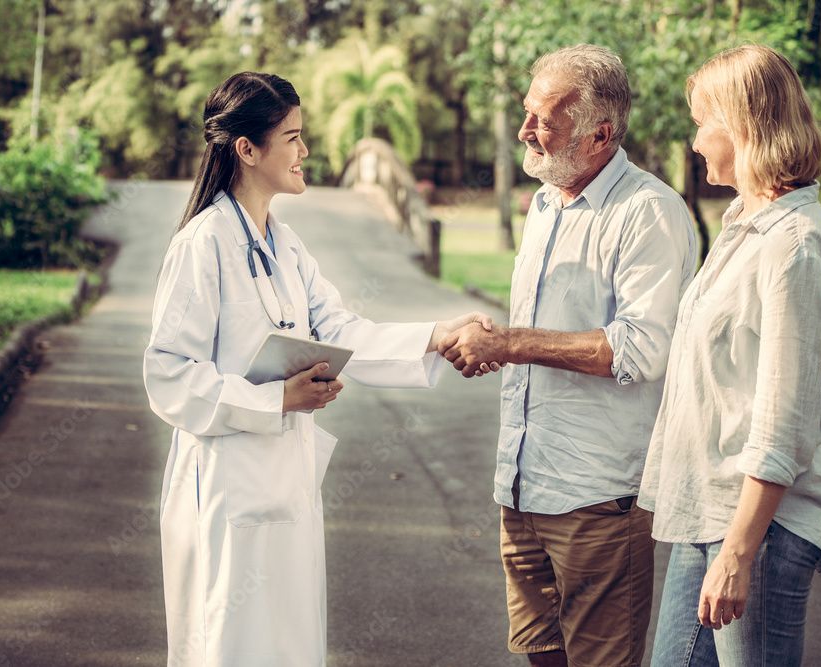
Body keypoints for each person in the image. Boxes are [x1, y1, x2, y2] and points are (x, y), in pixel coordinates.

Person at [143, 72, 491, 667]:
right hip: (225, 492)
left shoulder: (284, 245)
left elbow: (340, 330)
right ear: (247, 150)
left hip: (284, 485)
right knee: (228, 649)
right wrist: (276, 400)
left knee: (289, 647)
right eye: (293, 138)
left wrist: (438, 335)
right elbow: (169, 374)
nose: (306, 152)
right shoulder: (204, 244)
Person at [439, 44, 698, 666]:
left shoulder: (649, 213)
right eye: (526, 113)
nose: (525, 131)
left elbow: (640, 348)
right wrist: (499, 341)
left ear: (600, 135)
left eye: (543, 120)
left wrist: (507, 343)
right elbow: (549, 332)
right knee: (540, 655)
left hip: (597, 498)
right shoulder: (547, 202)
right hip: (525, 484)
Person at [637, 44, 821, 666]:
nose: (696, 140)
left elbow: (784, 422)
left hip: (757, 531)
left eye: (704, 122)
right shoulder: (745, 229)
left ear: (747, 124)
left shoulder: (793, 247)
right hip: (712, 518)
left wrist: (736, 554)